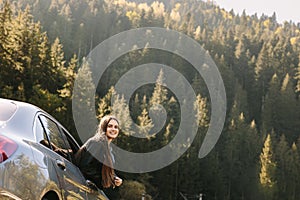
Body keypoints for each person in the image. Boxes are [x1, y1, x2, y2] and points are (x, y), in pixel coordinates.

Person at [75, 115, 123, 189]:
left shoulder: (108, 148)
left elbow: (101, 168)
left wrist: (114, 178)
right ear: (104, 127)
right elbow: (86, 166)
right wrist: (102, 181)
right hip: (82, 186)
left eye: (116, 127)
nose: (113, 129)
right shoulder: (97, 143)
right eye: (110, 126)